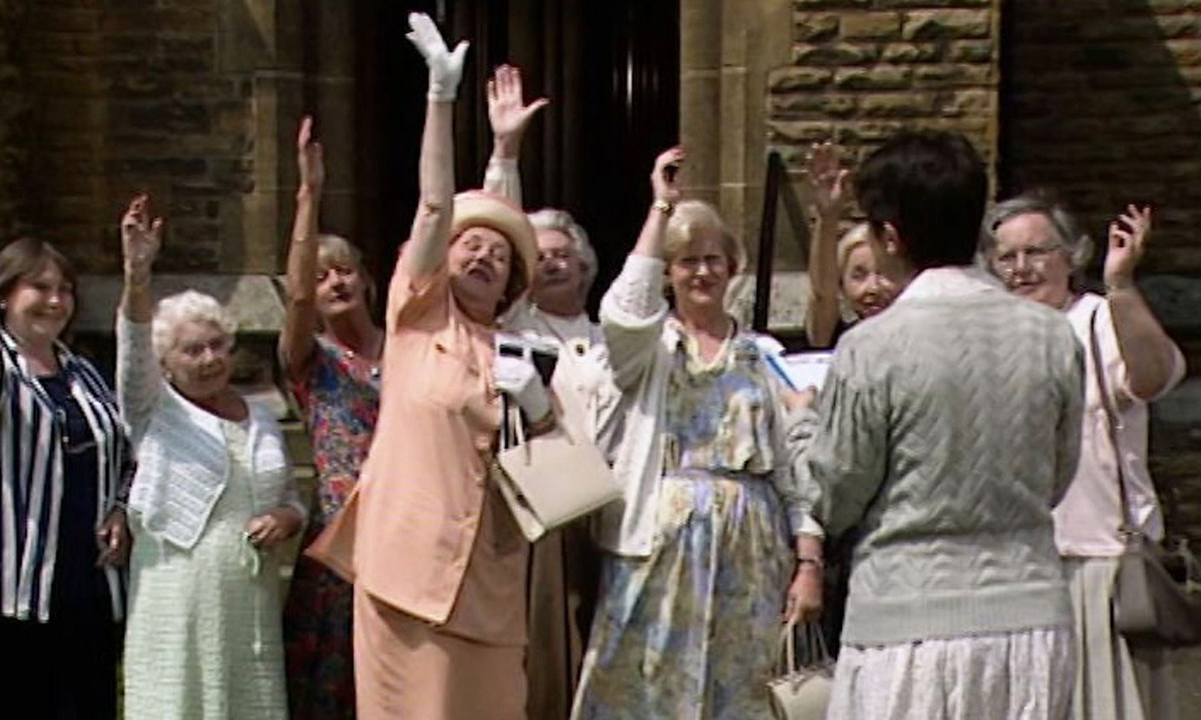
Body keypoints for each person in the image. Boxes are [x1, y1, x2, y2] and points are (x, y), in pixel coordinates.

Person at [785, 130, 1084, 719]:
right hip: (1030, 621)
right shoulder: (1051, 334)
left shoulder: (874, 345)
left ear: (891, 236)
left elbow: (834, 494)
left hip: (906, 622)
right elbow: (1055, 476)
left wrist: (801, 427)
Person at [306, 13, 544, 720]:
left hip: (490, 583)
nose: (483, 256)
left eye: (498, 256)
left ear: (510, 284)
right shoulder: (418, 317)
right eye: (471, 246)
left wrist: (538, 407)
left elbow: (550, 463)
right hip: (408, 572)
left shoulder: (517, 348)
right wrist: (441, 97)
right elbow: (438, 206)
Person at [570, 147, 824, 720]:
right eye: (686, 262)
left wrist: (808, 563)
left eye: (713, 259)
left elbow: (793, 472)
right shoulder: (648, 349)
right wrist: (660, 208)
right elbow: (623, 310)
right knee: (648, 692)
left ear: (732, 268)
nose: (702, 272)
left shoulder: (760, 356)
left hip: (752, 555)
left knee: (742, 694)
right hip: (658, 550)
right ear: (668, 273)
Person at [982, 194, 1186, 720]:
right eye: (1007, 257)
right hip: (1011, 565)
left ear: (1070, 256)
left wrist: (1121, 285)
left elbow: (1153, 377)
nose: (1021, 268)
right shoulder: (985, 335)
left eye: (1036, 252)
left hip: (1096, 560)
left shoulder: (1099, 320)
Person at [117, 195, 305, 720]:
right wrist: (136, 276)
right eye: (192, 350)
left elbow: (291, 497)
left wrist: (287, 518)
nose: (209, 359)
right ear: (165, 364)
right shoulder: (153, 408)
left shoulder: (262, 415)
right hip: (177, 588)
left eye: (217, 345)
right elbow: (132, 349)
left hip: (248, 594)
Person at [0, 236, 132, 718]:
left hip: (80, 583)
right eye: (39, 287)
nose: (55, 301)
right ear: (4, 295)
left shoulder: (84, 373)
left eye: (65, 289)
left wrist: (122, 507)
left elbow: (125, 451)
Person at [481, 63, 614, 720]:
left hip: (613, 513)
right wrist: (505, 154)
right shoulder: (516, 327)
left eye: (563, 252)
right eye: (539, 254)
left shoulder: (615, 336)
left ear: (585, 264)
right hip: (545, 512)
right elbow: (493, 229)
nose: (552, 260)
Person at [280, 116, 383, 720]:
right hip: (340, 536)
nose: (334, 282)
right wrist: (308, 194)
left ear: (367, 279)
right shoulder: (312, 359)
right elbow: (294, 295)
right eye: (321, 277)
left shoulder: (407, 349)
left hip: (400, 527)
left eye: (344, 269)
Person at [802, 142, 900, 347]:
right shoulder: (838, 336)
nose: (872, 288)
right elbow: (823, 294)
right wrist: (827, 218)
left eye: (883, 273)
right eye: (858, 275)